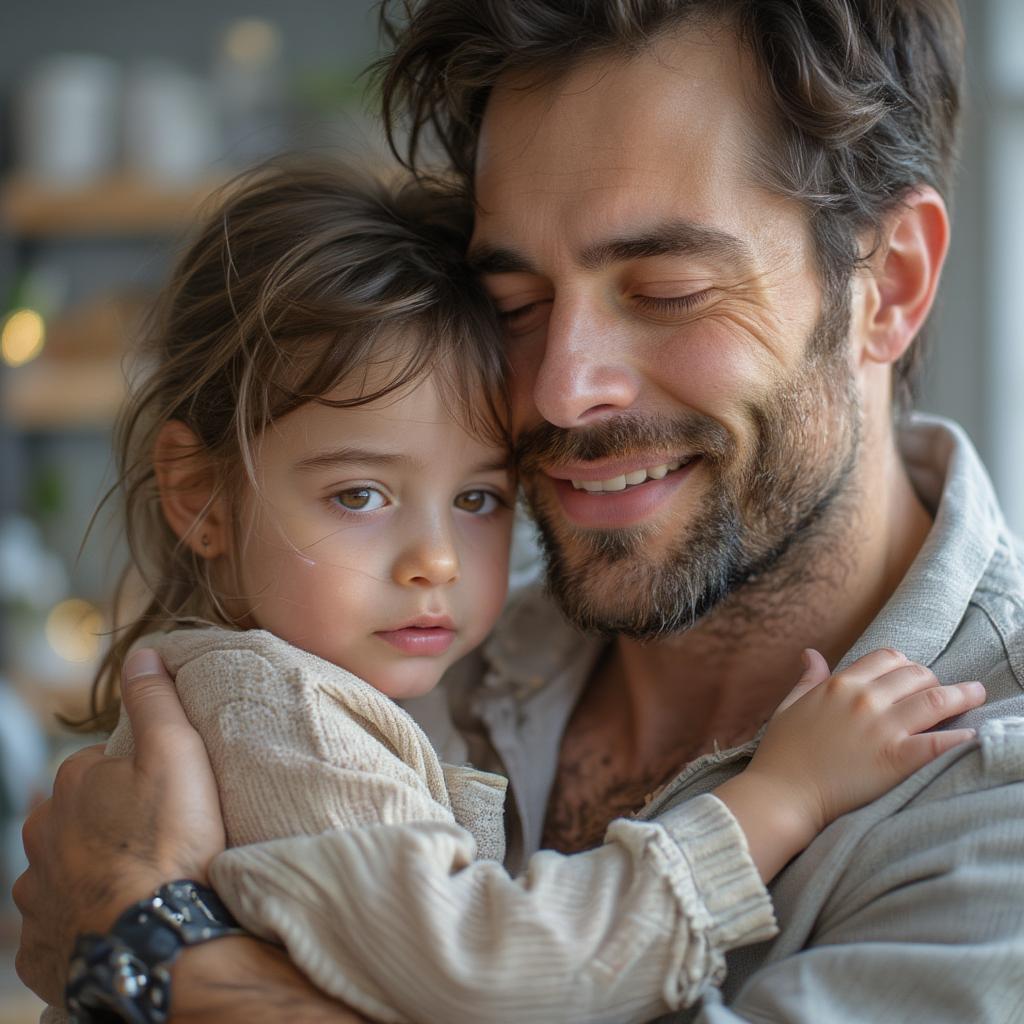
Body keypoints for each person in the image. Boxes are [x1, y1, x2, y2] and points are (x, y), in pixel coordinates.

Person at [15, 1, 1024, 1022]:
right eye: (516, 307)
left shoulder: (995, 794)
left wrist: (154, 952)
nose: (557, 392)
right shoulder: (415, 657)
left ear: (888, 284)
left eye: (665, 288)